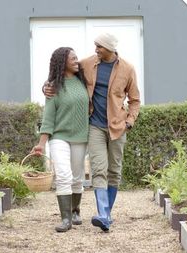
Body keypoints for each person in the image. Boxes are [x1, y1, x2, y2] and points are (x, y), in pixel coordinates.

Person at [44, 33, 141, 232]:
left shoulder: (128, 69)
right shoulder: (87, 64)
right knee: (98, 169)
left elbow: (135, 100)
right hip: (95, 126)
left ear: (110, 49)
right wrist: (46, 86)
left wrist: (129, 122)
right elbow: (63, 70)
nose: (96, 50)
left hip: (117, 126)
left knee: (114, 170)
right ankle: (103, 214)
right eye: (95, 46)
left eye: (99, 47)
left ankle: (107, 213)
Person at [30, 47, 89, 233]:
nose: (76, 61)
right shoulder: (53, 87)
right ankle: (65, 219)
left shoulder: (83, 80)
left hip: (80, 136)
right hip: (59, 137)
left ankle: (75, 211)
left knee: (78, 176)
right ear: (62, 62)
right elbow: (48, 118)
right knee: (64, 175)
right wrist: (41, 144)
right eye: (72, 58)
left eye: (77, 57)